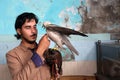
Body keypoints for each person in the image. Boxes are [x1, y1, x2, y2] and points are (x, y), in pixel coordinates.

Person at [6, 12, 51, 80]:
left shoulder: (46, 50)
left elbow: (56, 74)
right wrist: (40, 51)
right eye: (28, 27)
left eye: (35, 27)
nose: (33, 31)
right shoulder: (12, 55)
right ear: (19, 31)